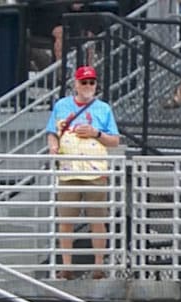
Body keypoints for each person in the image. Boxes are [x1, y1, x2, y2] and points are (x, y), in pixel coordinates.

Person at [46, 66, 120, 280]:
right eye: (84, 82)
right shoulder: (61, 106)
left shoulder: (103, 109)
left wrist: (95, 133)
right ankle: (66, 266)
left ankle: (98, 266)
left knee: (97, 219)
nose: (88, 86)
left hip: (95, 171)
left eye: (91, 83)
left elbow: (114, 140)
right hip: (68, 171)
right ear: (76, 84)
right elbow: (52, 133)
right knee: (66, 220)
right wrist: (53, 147)